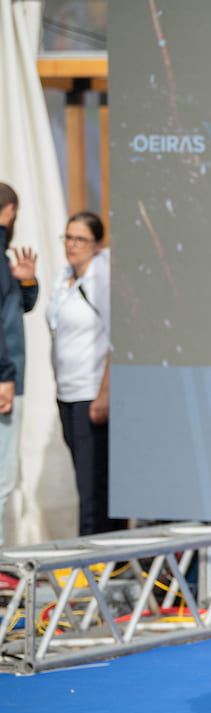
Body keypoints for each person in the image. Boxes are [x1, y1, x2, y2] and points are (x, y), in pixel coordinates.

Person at [47, 211, 119, 536]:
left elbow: (117, 338)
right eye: (68, 237)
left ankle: (92, 560)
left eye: (81, 239)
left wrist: (104, 393)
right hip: (67, 391)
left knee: (93, 482)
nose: (72, 245)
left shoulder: (101, 279)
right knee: (84, 477)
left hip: (91, 391)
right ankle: (105, 557)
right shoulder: (64, 277)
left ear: (97, 244)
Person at [0, 183, 39, 545]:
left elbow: (13, 310)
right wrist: (6, 375)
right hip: (5, 380)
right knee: (3, 478)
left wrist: (25, 283)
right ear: (9, 211)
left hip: (6, 374)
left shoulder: (3, 257)